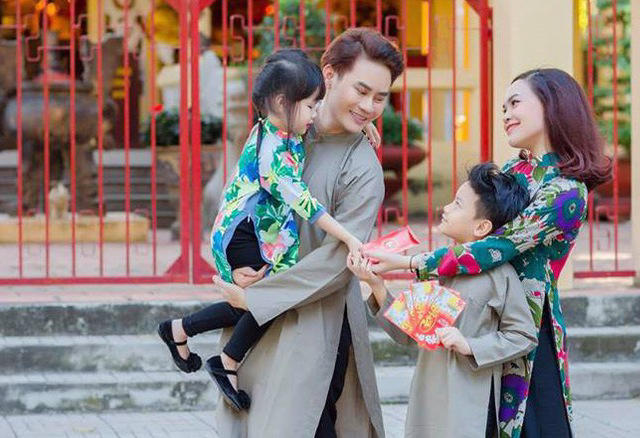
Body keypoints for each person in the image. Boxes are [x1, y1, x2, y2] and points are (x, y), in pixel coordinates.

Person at [366, 68, 612, 438]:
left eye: (515, 103)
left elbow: (495, 247)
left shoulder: (565, 193)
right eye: (503, 108)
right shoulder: (514, 171)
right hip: (475, 307)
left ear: (551, 105)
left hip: (525, 323)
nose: (506, 114)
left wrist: (409, 262)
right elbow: (472, 232)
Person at [210, 28, 404, 437]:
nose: (369, 107)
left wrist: (261, 296)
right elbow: (238, 200)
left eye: (380, 98)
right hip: (255, 315)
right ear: (328, 74)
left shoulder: (362, 169)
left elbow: (338, 262)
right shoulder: (277, 134)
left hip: (315, 323)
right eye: (361, 90)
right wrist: (234, 264)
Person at [157, 49, 366, 411]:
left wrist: (363, 126)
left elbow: (326, 120)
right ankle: (226, 360)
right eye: (310, 106)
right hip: (244, 232)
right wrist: (348, 237)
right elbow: (306, 204)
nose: (315, 113)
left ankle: (180, 330)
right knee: (269, 298)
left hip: (251, 229)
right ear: (284, 102)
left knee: (257, 300)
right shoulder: (273, 154)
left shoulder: (279, 125)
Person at [348, 163, 538, 438]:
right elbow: (408, 335)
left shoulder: (500, 275)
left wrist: (470, 345)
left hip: (470, 402)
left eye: (458, 204)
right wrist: (376, 285)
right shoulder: (435, 268)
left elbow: (523, 335)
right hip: (429, 397)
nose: (446, 208)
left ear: (482, 226)